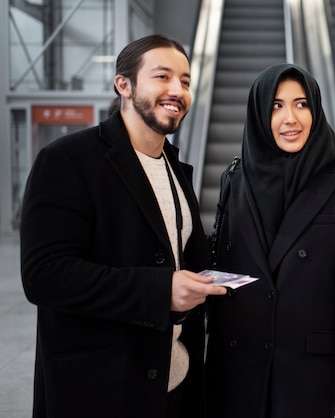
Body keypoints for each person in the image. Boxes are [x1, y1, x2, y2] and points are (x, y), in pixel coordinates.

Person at [19, 34, 227, 418]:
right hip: (101, 390)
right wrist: (159, 290)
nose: (177, 90)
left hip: (172, 388)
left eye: (185, 81)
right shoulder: (67, 160)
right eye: (162, 77)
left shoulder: (175, 169)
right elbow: (44, 275)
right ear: (124, 85)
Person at [205, 63, 335, 418]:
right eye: (276, 106)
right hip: (236, 364)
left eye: (301, 104)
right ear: (258, 113)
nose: (291, 118)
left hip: (305, 371)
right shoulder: (236, 177)